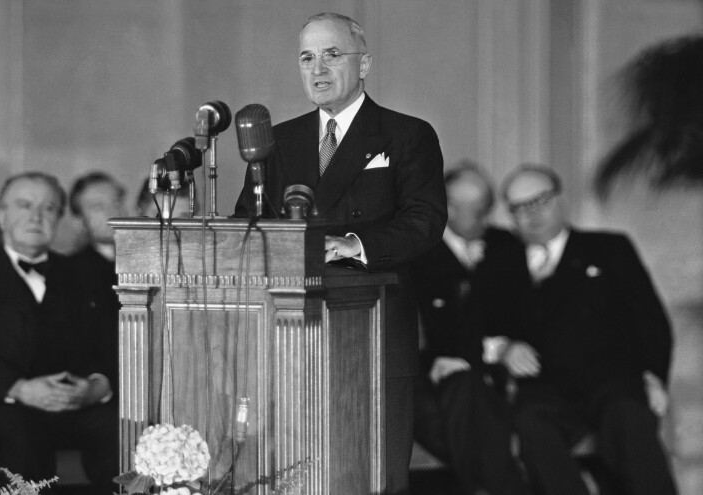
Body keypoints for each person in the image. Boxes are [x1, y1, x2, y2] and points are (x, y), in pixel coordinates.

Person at [233, 13, 447, 493]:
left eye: (332, 54)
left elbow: (425, 221)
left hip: (373, 330)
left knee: (373, 473)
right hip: (291, 335)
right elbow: (248, 223)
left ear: (364, 63)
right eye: (307, 57)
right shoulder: (276, 142)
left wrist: (354, 245)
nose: (318, 68)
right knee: (292, 473)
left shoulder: (406, 134)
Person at [490, 164, 676, 495]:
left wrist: (653, 376)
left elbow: (650, 320)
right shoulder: (501, 264)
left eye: (540, 201)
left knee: (631, 419)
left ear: (560, 200)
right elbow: (476, 326)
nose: (532, 214)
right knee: (530, 423)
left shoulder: (609, 248)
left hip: (613, 381)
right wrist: (504, 348)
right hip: (546, 388)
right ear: (510, 215)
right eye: (519, 208)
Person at [0, 172, 119, 494]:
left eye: (48, 208)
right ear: (2, 215)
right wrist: (19, 388)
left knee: (121, 429)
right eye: (24, 205)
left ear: (59, 217)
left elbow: (109, 346)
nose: (36, 217)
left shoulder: (85, 274)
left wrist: (96, 387)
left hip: (76, 404)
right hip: (5, 405)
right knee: (22, 433)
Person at [409, 163, 528, 494]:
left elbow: (516, 318)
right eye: (454, 203)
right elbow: (427, 329)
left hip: (493, 375)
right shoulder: (418, 251)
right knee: (459, 393)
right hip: (432, 375)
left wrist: (482, 351)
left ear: (488, 210)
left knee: (465, 392)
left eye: (476, 208)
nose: (463, 214)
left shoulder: (505, 248)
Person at [67, 171, 127, 384]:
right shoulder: (68, 273)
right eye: (98, 207)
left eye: (116, 201)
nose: (113, 211)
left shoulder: (150, 262)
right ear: (79, 221)